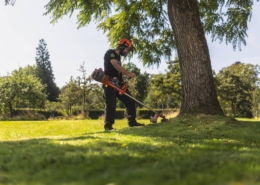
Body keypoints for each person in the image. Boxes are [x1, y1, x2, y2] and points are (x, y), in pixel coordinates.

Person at [103, 38, 145, 131]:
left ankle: (132, 122)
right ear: (122, 46)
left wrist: (122, 77)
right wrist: (129, 73)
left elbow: (117, 70)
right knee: (111, 103)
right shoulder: (110, 53)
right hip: (109, 82)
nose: (127, 52)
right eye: (127, 49)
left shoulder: (119, 58)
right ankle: (108, 126)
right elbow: (115, 65)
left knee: (130, 100)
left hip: (118, 83)